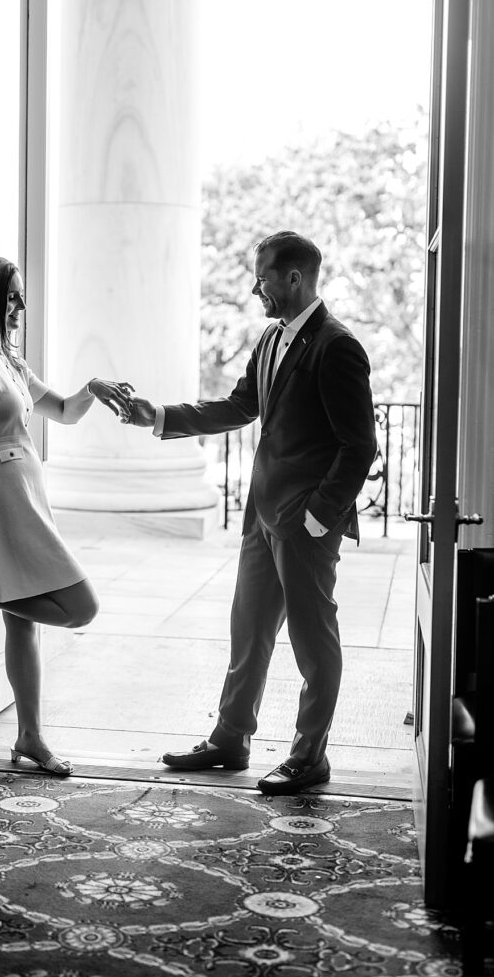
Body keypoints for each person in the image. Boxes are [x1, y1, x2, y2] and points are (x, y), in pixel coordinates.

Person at [127, 231, 377, 794]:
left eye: (263, 274)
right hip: (262, 518)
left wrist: (318, 516)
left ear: (294, 277)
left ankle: (309, 755)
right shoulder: (269, 339)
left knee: (314, 644)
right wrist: (159, 414)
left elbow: (359, 445)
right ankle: (230, 739)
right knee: (249, 632)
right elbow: (241, 406)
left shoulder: (337, 346)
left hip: (306, 526)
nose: (256, 286)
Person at [0, 254, 133, 776]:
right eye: (11, 296)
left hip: (26, 493)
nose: (21, 305)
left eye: (22, 295)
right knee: (79, 606)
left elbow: (63, 411)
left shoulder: (9, 361)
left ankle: (30, 736)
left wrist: (93, 389)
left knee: (22, 620)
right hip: (1, 502)